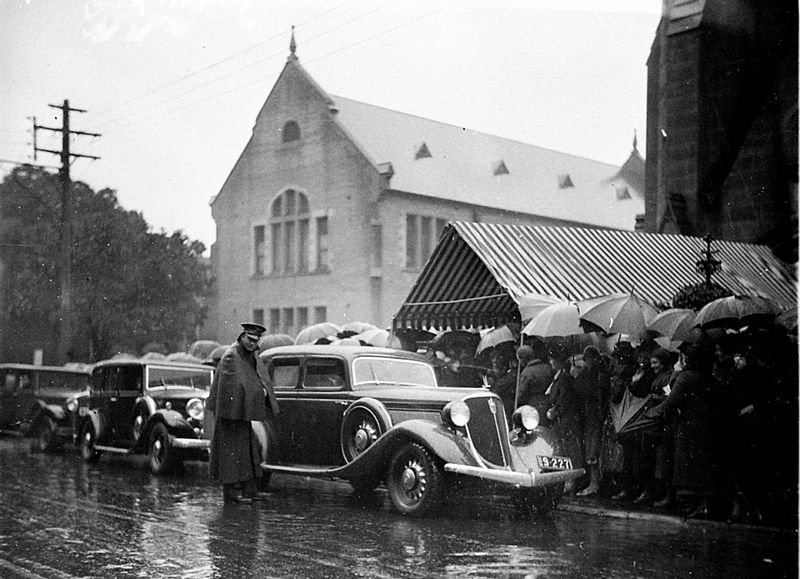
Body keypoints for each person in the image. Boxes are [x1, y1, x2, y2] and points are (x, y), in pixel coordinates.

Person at [207, 322, 280, 504]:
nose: (252, 343)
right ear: (242, 336)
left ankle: (250, 489)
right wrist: (258, 392)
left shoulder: (250, 355)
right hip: (229, 415)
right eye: (249, 339)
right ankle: (232, 492)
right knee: (230, 452)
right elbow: (235, 385)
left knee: (248, 451)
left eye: (255, 341)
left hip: (241, 414)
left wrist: (262, 390)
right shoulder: (232, 356)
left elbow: (257, 377)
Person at [646, 343, 718, 518]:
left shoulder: (685, 377)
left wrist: (652, 412)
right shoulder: (706, 376)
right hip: (704, 426)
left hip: (688, 427)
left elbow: (672, 402)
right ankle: (704, 504)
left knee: (689, 467)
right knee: (701, 467)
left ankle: (698, 505)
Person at [546, 345, 583, 495]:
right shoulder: (559, 377)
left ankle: (570, 481)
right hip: (561, 419)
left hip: (566, 419)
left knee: (568, 449)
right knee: (562, 449)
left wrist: (554, 411)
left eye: (552, 360)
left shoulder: (565, 379)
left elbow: (563, 399)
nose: (551, 363)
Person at [574, 345, 609, 497]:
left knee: (592, 447)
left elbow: (588, 391)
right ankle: (592, 482)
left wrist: (577, 377)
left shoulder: (597, 375)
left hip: (594, 414)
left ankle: (594, 483)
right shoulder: (592, 373)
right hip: (589, 414)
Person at [516, 341, 554, 422]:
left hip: (534, 407)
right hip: (549, 405)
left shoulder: (526, 373)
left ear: (523, 359)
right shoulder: (547, 367)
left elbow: (521, 395)